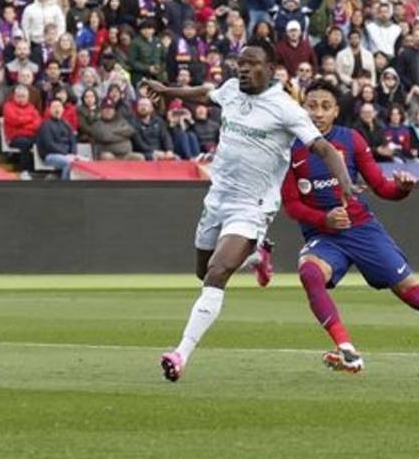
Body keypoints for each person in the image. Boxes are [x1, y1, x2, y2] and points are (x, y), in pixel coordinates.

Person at [142, 46, 357, 382]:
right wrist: (168, 91)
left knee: (216, 273)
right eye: (240, 64)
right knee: (203, 272)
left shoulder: (285, 108)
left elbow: (324, 148)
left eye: (251, 64)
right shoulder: (231, 90)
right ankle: (257, 256)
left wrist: (345, 183)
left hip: (252, 205)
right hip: (217, 199)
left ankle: (180, 354)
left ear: (270, 69)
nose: (243, 69)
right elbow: (205, 93)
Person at [281, 81, 419, 377]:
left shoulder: (351, 140)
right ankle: (346, 350)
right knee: (310, 272)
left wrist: (402, 188)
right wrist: (325, 220)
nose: (318, 113)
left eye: (325, 106)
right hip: (324, 236)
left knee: (413, 293)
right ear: (302, 108)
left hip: (361, 229)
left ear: (336, 111)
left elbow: (382, 187)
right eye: (312, 106)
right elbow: (292, 205)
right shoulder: (288, 148)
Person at [36, 99, 82, 179]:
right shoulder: (45, 125)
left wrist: (73, 153)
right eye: (54, 107)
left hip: (67, 155)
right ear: (50, 110)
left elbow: (73, 141)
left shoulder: (67, 124)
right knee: (68, 163)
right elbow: (49, 144)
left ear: (62, 109)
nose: (57, 109)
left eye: (59, 107)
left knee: (84, 163)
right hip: (51, 155)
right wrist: (65, 154)